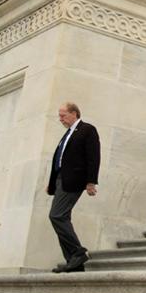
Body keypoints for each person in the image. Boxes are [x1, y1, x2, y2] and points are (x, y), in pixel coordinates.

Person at [46, 102, 100, 273]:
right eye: (60, 115)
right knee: (62, 217)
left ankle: (78, 253)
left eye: (63, 115)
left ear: (74, 113)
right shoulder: (68, 134)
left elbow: (94, 157)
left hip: (74, 180)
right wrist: (52, 183)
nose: (60, 118)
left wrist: (91, 182)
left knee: (56, 215)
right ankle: (72, 261)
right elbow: (60, 158)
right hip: (62, 180)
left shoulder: (87, 130)